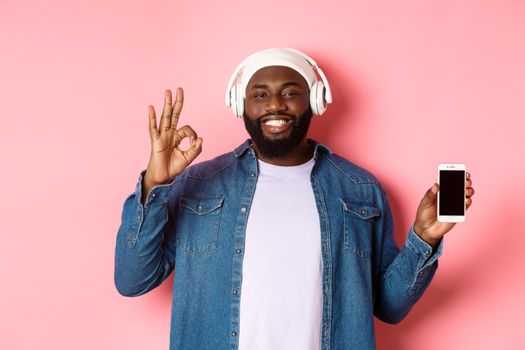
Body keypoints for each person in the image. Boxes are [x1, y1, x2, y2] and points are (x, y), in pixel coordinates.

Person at [114, 48, 475, 350]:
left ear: (314, 101)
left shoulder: (360, 190)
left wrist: (424, 239)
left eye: (290, 92)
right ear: (240, 104)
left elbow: (389, 308)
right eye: (260, 93)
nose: (275, 104)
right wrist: (155, 186)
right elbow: (132, 280)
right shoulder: (200, 184)